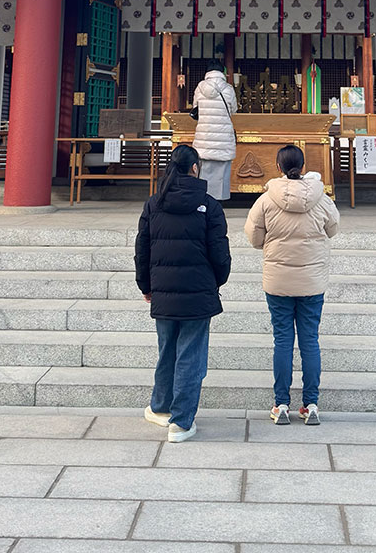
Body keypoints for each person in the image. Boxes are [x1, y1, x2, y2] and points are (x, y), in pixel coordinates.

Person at [134, 143, 231, 442]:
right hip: (198, 291)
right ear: (194, 168)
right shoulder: (209, 205)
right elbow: (220, 253)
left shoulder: (153, 204)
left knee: (168, 351)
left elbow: (142, 250)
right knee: (190, 356)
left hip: (163, 291)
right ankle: (182, 421)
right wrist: (216, 282)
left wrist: (146, 286)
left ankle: (161, 407)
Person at [244, 143, 340, 426]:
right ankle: (311, 404)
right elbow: (333, 229)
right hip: (312, 282)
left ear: (278, 168)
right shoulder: (322, 199)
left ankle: (281, 403)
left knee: (283, 340)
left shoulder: (266, 199)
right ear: (304, 167)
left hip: (278, 282)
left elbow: (253, 237)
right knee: (310, 340)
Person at [191, 59, 237, 202]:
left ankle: (202, 200)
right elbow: (233, 110)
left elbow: (195, 107)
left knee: (203, 173)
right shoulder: (228, 89)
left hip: (204, 138)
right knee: (221, 175)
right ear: (222, 72)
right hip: (223, 139)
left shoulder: (200, 88)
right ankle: (218, 204)